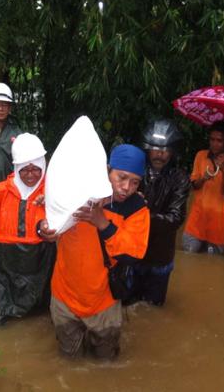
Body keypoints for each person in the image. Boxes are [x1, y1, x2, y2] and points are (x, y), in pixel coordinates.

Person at [39, 144, 150, 359]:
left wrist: (104, 225)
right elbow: (46, 216)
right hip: (64, 296)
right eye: (122, 177)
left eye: (135, 182)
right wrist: (43, 229)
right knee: (68, 360)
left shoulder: (136, 209)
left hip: (104, 302)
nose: (127, 187)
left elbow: (133, 255)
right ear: (107, 170)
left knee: (105, 362)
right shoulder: (76, 192)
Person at [0, 133, 56, 326]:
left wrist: (51, 206)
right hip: (3, 265)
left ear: (43, 166)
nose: (30, 174)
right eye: (24, 170)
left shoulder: (52, 192)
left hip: (40, 262)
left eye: (36, 169)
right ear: (16, 168)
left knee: (41, 316)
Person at [124, 119, 190, 306]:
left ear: (173, 152)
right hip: (132, 251)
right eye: (155, 148)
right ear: (147, 149)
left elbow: (175, 218)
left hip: (160, 256)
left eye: (166, 149)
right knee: (125, 302)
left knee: (153, 307)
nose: (160, 154)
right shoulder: (134, 173)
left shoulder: (180, 178)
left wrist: (140, 215)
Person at [182, 120, 224, 255]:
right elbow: (194, 185)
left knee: (213, 263)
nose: (214, 144)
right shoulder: (201, 156)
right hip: (196, 224)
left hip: (217, 228)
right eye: (212, 139)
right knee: (188, 258)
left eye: (219, 140)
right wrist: (204, 178)